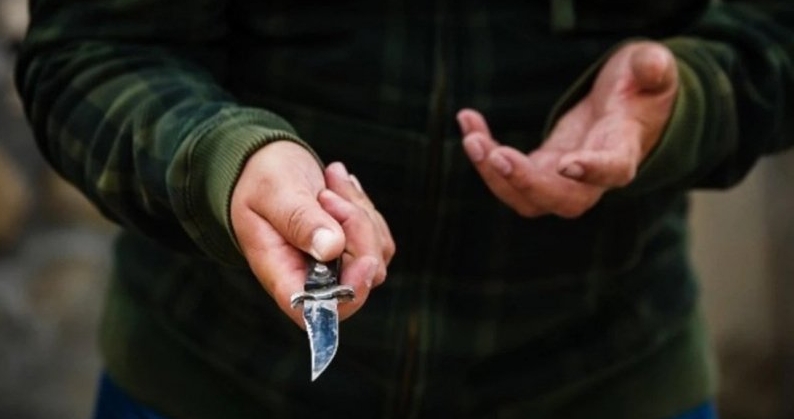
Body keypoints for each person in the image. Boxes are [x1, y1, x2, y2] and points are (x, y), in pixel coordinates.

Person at [14, 1, 794, 418]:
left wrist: (694, 93)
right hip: (217, 378)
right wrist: (226, 159)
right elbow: (89, 48)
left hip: (609, 371)